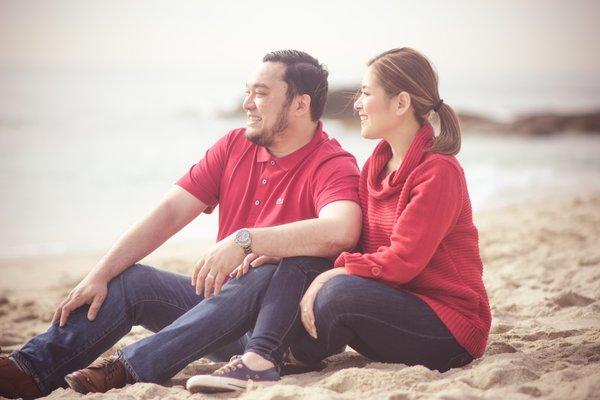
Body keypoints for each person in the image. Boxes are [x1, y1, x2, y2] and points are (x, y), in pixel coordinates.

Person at [0, 50, 362, 399]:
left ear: (300, 104)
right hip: (220, 316)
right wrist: (98, 275)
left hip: (285, 335)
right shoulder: (234, 146)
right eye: (247, 92)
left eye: (261, 94)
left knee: (266, 269)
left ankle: (129, 367)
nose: (247, 103)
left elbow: (342, 229)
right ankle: (29, 370)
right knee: (130, 281)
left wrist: (246, 240)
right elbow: (169, 213)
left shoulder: (333, 164)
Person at [231, 47, 491, 381]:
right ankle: (263, 350)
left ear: (401, 103)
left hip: (449, 331)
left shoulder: (439, 172)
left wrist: (329, 276)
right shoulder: (374, 168)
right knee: (309, 264)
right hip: (392, 310)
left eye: (366, 93)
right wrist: (283, 252)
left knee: (337, 293)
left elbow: (401, 261)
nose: (356, 104)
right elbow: (359, 249)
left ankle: (286, 353)